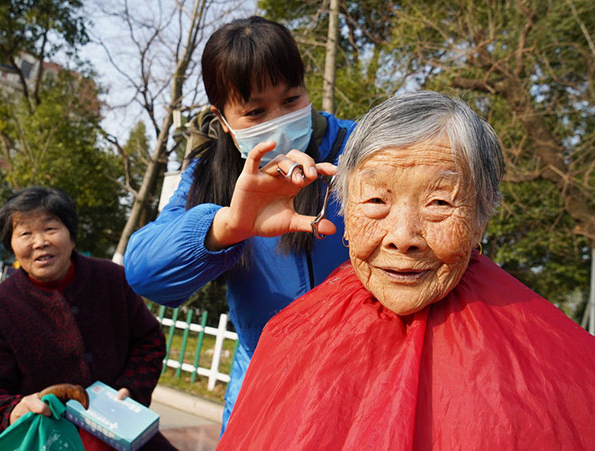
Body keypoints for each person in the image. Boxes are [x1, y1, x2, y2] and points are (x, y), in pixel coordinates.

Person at [217, 91, 595, 450]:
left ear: (481, 218)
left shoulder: (566, 373)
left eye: (439, 202)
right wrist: (231, 227)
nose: (403, 237)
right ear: (345, 209)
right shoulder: (288, 335)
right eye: (377, 199)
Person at [124, 16, 356, 430]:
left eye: (291, 100)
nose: (279, 119)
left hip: (361, 389)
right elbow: (143, 272)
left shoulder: (359, 151)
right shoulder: (209, 174)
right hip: (262, 391)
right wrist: (228, 226)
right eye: (254, 111)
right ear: (224, 119)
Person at [0, 187, 176, 450]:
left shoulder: (112, 280)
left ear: (72, 235)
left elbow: (148, 342)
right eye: (25, 233)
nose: (39, 242)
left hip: (119, 434)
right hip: (40, 440)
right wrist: (14, 412)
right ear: (11, 246)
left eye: (50, 229)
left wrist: (131, 390)